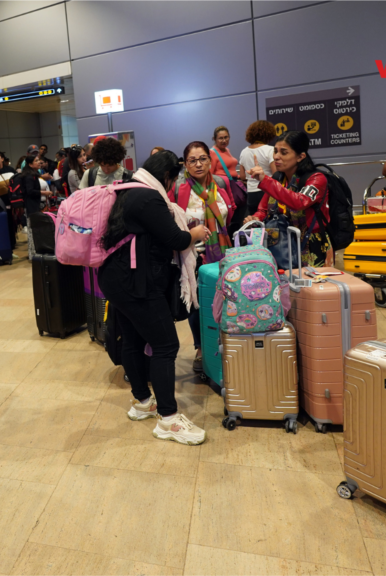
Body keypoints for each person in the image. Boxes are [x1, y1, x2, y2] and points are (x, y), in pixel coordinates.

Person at [98, 151, 210, 445]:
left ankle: (142, 402)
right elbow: (175, 239)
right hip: (136, 283)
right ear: (168, 177)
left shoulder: (127, 189)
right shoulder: (148, 197)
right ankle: (169, 421)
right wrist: (195, 232)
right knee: (165, 344)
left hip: (117, 278)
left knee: (133, 340)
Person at [175, 142, 232, 376]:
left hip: (221, 253)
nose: (198, 164)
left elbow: (231, 210)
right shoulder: (179, 189)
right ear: (185, 164)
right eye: (192, 160)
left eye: (203, 159)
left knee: (223, 300)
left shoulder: (221, 183)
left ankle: (224, 345)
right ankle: (200, 348)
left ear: (210, 161)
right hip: (193, 255)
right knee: (197, 305)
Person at [246, 130, 332, 268]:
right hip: (280, 244)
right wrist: (255, 218)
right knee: (282, 286)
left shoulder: (316, 179)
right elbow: (263, 210)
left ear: (300, 156)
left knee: (310, 287)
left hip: (310, 245)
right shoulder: (278, 179)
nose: (276, 157)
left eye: (284, 152)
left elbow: (299, 201)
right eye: (275, 151)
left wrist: (265, 180)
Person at [237, 120, 277, 213]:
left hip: (251, 193)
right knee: (269, 222)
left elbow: (243, 176)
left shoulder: (244, 151)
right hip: (267, 191)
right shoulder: (270, 150)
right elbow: (276, 174)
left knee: (255, 223)